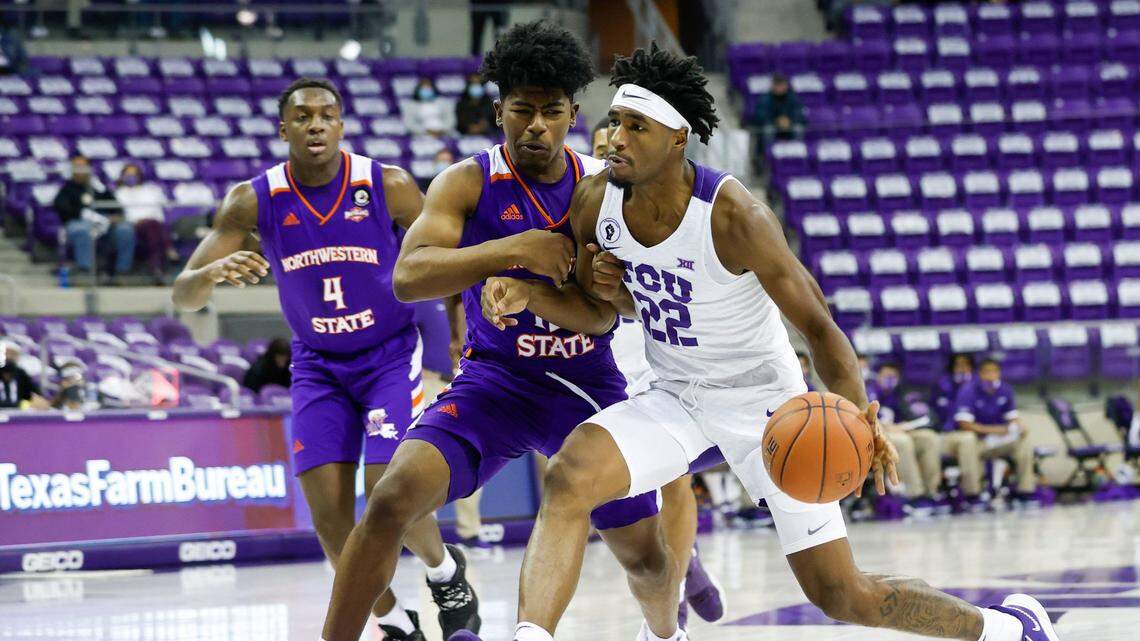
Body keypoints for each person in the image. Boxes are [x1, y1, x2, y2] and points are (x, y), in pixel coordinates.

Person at [473, 44, 1058, 641]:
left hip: (768, 407)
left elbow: (819, 327)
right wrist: (556, 294)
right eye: (616, 122)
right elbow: (598, 314)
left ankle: (1006, 630)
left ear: (677, 139)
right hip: (676, 394)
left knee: (840, 593)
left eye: (635, 127)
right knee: (570, 475)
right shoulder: (596, 202)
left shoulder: (734, 217)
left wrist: (859, 415)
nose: (615, 139)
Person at [319, 22, 697, 641]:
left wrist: (536, 292)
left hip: (585, 383)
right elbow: (408, 278)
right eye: (522, 110)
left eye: (552, 111)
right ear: (499, 112)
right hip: (494, 382)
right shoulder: (467, 182)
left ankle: (665, 633)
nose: (536, 126)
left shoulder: (602, 189)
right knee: (389, 501)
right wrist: (511, 250)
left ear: (573, 115)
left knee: (646, 558)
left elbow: (606, 315)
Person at [172, 77, 475, 641]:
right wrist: (209, 274)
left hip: (388, 356)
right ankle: (394, 620)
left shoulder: (387, 184)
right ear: (283, 128)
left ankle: (444, 571)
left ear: (341, 125)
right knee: (331, 520)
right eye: (303, 115)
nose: (315, 124)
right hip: (317, 365)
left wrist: (461, 329)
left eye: (326, 114)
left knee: (390, 490)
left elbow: (453, 256)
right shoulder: (252, 199)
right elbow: (182, 294)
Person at [590, 113, 724, 628]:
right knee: (620, 489)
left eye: (617, 144)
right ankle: (683, 563)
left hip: (654, 354)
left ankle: (676, 591)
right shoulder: (584, 203)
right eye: (600, 148)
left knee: (675, 477)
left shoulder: (665, 203)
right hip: (600, 356)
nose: (610, 153)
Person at [953, 358, 1038, 503]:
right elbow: (964, 424)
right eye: (987, 372)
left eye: (994, 371)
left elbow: (1013, 417)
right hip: (978, 441)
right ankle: (973, 495)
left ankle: (1025, 491)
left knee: (1024, 443)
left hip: (1000, 442)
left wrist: (1021, 426)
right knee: (967, 442)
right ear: (980, 374)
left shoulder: (1005, 389)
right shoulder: (968, 390)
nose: (991, 375)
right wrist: (995, 430)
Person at [866, 361, 941, 510]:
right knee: (903, 441)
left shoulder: (898, 393)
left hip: (897, 431)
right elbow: (867, 419)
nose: (890, 379)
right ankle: (914, 495)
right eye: (887, 375)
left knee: (928, 438)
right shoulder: (870, 391)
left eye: (894, 376)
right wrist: (889, 428)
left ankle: (931, 492)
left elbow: (906, 417)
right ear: (878, 376)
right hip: (875, 435)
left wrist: (903, 426)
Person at [53, 154, 136, 282]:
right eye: (77, 167)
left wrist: (115, 216)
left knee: (126, 229)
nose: (80, 170)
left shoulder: (98, 187)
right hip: (80, 223)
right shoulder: (67, 188)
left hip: (105, 224)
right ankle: (85, 271)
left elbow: (115, 206)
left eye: (83, 166)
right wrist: (85, 215)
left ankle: (122, 272)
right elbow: (63, 209)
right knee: (82, 229)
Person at [116, 163, 179, 284]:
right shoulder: (119, 193)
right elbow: (123, 213)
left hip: (151, 223)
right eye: (128, 175)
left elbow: (156, 210)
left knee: (152, 228)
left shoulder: (149, 190)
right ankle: (167, 252)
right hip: (133, 225)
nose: (131, 177)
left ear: (139, 176)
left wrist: (148, 218)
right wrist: (137, 220)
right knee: (153, 228)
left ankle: (156, 269)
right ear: (122, 176)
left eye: (134, 175)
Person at [752, 72, 805, 150]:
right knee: (768, 130)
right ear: (773, 86)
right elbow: (760, 115)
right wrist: (776, 121)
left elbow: (799, 113)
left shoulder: (792, 97)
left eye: (782, 85)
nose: (780, 88)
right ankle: (768, 153)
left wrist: (790, 120)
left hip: (789, 124)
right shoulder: (765, 98)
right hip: (771, 124)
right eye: (778, 85)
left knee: (798, 128)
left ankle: (794, 152)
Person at [0, 340, 49, 410]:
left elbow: (34, 395)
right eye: (6, 354)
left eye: (12, 354)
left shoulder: (21, 374)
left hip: (17, 413)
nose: (9, 357)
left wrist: (38, 401)